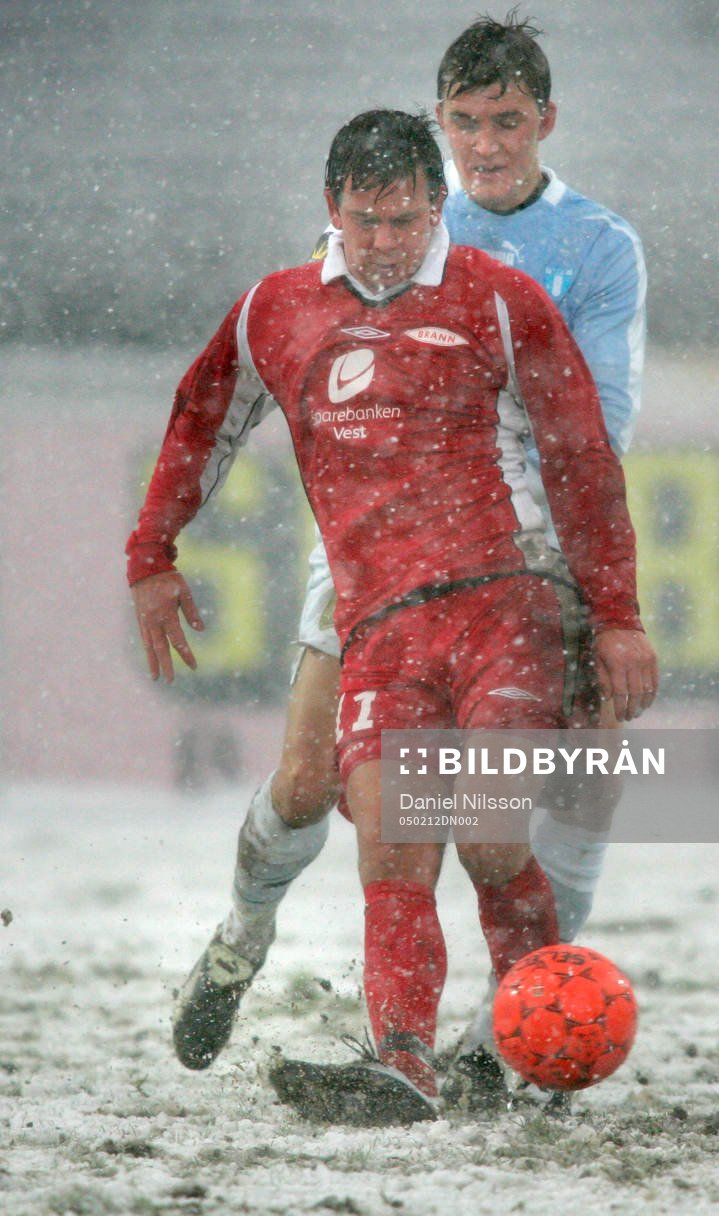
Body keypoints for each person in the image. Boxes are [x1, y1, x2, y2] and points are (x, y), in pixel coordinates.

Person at [128, 108, 657, 1124]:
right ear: (330, 210)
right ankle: (401, 1057)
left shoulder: (502, 302)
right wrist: (150, 552)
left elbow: (582, 460)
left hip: (504, 603)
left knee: (492, 833)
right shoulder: (274, 310)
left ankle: (519, 1038)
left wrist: (617, 613)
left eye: (406, 219)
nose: (384, 243)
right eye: (365, 222)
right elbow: (201, 415)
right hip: (377, 617)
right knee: (379, 835)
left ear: (436, 206)